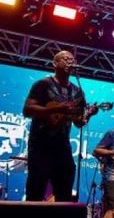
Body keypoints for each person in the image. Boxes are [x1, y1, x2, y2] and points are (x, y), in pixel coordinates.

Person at [22, 50, 90, 202]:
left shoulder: (77, 91)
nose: (69, 62)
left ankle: (60, 217)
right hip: (40, 144)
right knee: (36, 189)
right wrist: (55, 109)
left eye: (72, 59)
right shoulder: (43, 84)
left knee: (65, 189)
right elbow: (27, 110)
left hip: (62, 146)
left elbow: (78, 122)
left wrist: (88, 114)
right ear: (55, 63)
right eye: (65, 59)